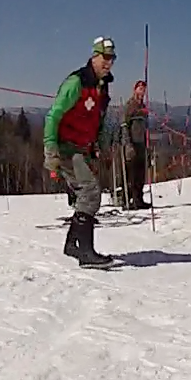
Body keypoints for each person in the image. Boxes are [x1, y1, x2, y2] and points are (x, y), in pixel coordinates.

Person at [43, 37, 118, 269]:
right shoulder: (76, 82)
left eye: (112, 59)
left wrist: (98, 145)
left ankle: (73, 244)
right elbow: (53, 115)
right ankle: (85, 252)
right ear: (94, 57)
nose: (108, 63)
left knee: (88, 191)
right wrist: (50, 148)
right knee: (90, 191)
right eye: (104, 58)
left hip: (82, 146)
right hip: (66, 146)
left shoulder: (102, 86)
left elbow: (98, 120)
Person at [121, 79, 151, 210]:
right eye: (140, 89)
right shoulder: (130, 105)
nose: (142, 92)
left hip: (141, 143)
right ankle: (128, 199)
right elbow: (124, 125)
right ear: (135, 90)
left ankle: (139, 199)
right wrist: (128, 143)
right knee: (131, 173)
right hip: (131, 143)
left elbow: (145, 126)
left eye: (144, 89)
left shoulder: (143, 107)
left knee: (140, 172)